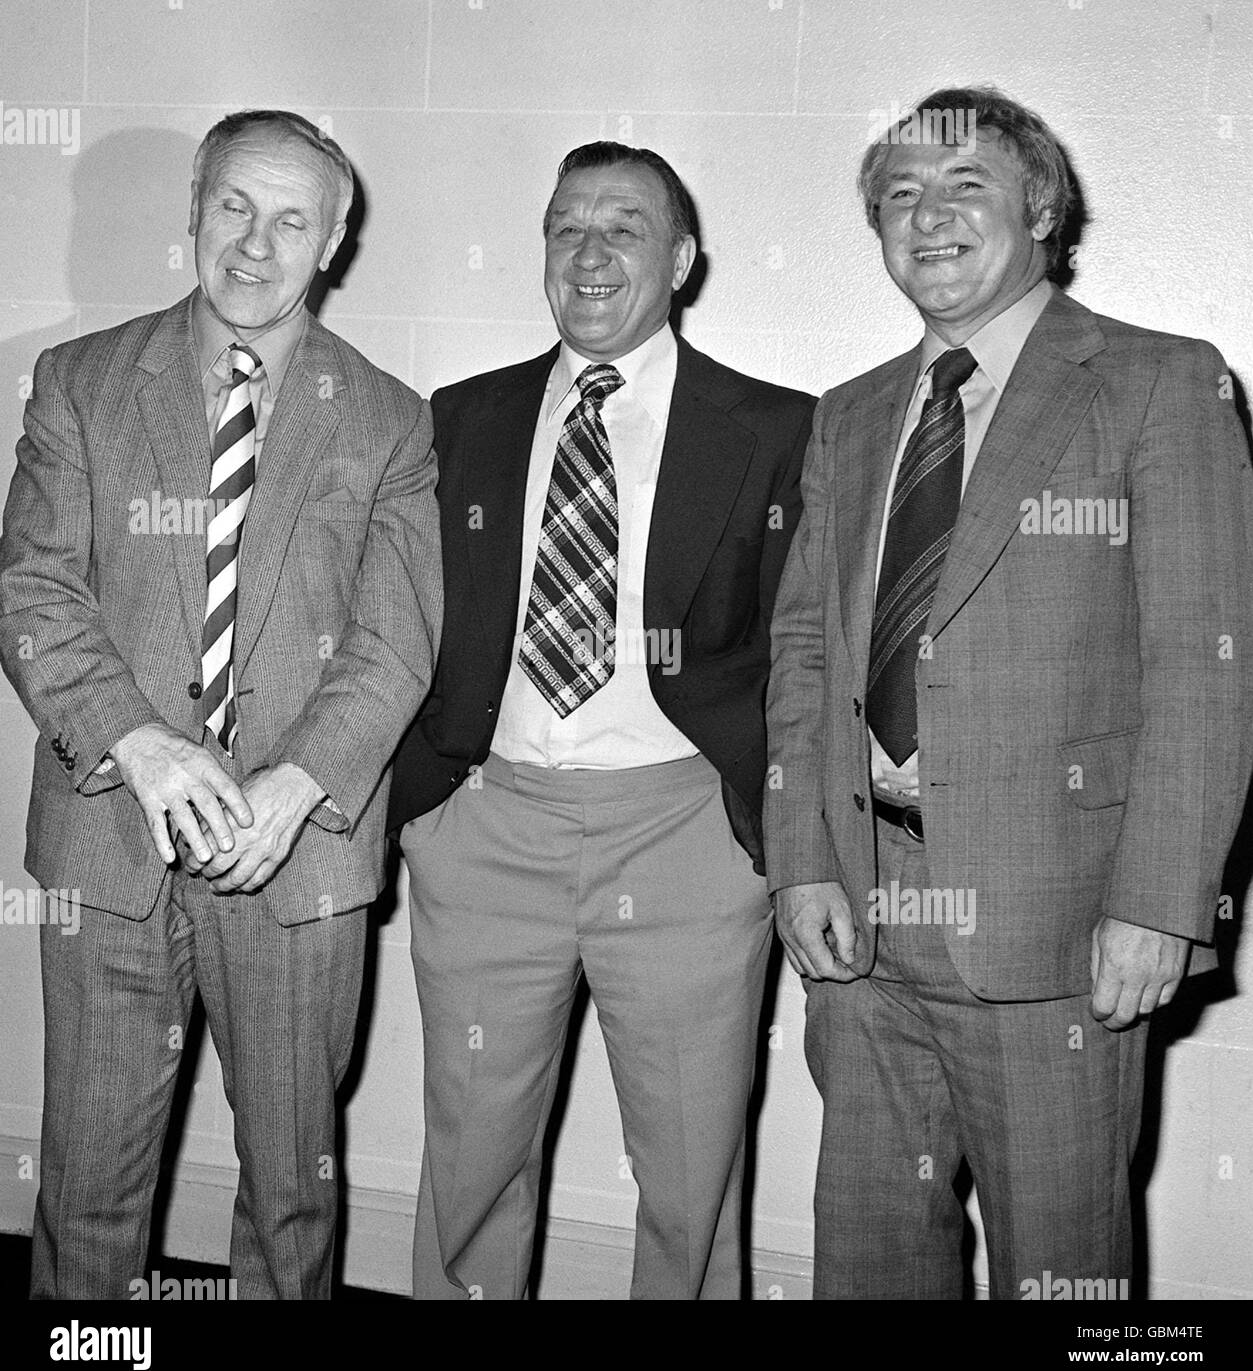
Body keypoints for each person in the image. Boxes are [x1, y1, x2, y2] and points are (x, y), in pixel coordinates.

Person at [765, 86, 1253, 1299]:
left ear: (1039, 206)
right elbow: (804, 656)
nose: (926, 218)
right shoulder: (848, 416)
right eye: (899, 197)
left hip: (1063, 933)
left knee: (1059, 1272)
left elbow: (1205, 667)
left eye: (963, 186)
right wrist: (801, 856)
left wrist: (1161, 903)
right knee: (869, 1262)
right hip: (863, 922)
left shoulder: (1157, 382)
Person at [0, 109, 442, 1299]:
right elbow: (33, 586)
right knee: (86, 1189)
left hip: (296, 863)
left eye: (292, 218)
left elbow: (397, 639)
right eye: (234, 206)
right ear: (193, 209)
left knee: (289, 1192)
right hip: (111, 839)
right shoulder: (82, 381)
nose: (256, 242)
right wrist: (139, 744)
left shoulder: (394, 419)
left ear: (334, 241)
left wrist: (292, 786)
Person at [389, 141, 814, 1299]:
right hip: (486, 832)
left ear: (680, 260)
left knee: (689, 1177)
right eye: (565, 224)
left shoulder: (773, 427)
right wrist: (420, 812)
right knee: (468, 1160)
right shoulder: (458, 417)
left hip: (681, 837)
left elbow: (804, 655)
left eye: (623, 227)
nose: (589, 250)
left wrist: (776, 837)